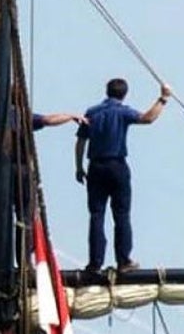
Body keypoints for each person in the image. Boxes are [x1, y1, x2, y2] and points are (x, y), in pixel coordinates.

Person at [74, 78, 172, 273]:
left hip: (95, 166)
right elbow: (148, 118)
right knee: (121, 214)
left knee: (96, 215)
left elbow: (81, 141)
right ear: (124, 94)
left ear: (107, 91)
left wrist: (79, 167)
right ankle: (124, 260)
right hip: (116, 165)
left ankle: (95, 262)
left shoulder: (92, 112)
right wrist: (163, 98)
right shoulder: (122, 112)